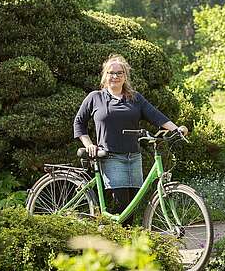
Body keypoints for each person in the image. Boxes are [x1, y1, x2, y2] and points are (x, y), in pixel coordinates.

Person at [73, 54, 188, 225]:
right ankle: (112, 240)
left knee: (131, 208)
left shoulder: (135, 98)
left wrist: (176, 129)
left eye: (119, 73)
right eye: (111, 73)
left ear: (125, 76)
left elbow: (156, 116)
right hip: (110, 157)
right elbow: (79, 122)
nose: (115, 76)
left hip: (134, 157)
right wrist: (89, 144)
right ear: (105, 75)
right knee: (122, 206)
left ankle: (120, 243)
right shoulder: (95, 97)